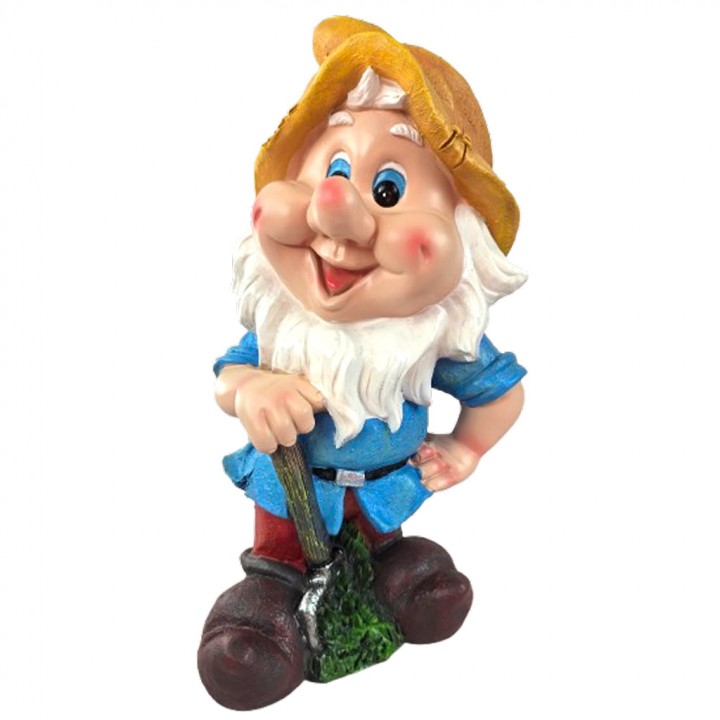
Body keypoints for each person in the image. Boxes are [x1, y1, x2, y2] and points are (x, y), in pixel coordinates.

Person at [198, 16, 527, 710]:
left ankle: (403, 583)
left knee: (391, 557)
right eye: (332, 169)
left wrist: (465, 449)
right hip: (291, 497)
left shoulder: (429, 338)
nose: (333, 214)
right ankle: (264, 622)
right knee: (278, 571)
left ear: (463, 234)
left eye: (388, 191)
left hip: (384, 494)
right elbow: (230, 374)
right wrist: (251, 388)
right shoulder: (284, 328)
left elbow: (499, 393)